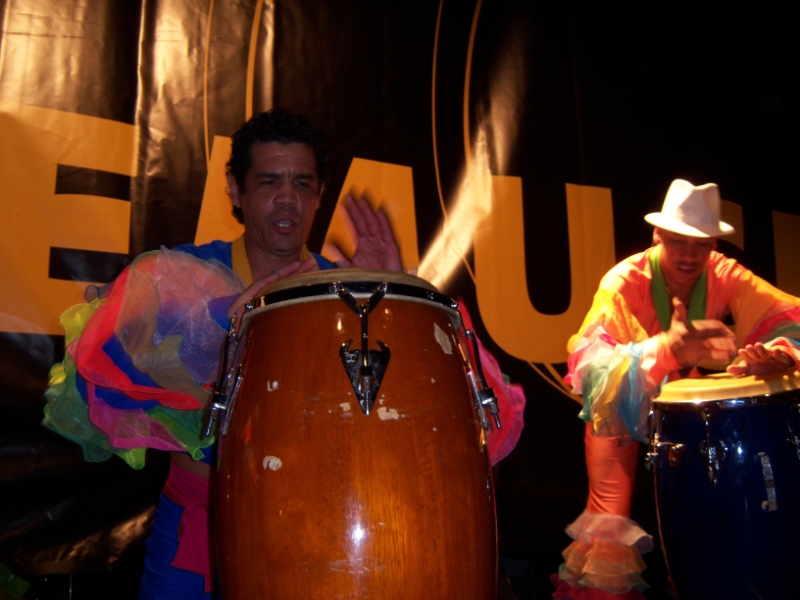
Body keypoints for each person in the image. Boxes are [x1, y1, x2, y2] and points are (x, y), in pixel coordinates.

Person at [43, 109, 524, 599]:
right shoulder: (180, 275)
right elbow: (95, 378)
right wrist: (218, 322)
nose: (287, 198)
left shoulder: (343, 290)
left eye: (302, 183)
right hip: (195, 523)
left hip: (314, 523)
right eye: (269, 181)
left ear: (319, 193)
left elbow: (472, 407)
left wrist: (397, 297)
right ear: (235, 189)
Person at [552, 179, 800, 600]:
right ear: (658, 236)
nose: (689, 255)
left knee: (698, 518)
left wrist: (780, 354)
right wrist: (666, 349)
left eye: (701, 245)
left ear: (714, 245)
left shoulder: (723, 273)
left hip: (680, 411)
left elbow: (788, 317)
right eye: (678, 242)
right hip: (618, 409)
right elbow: (594, 372)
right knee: (609, 524)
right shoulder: (624, 280)